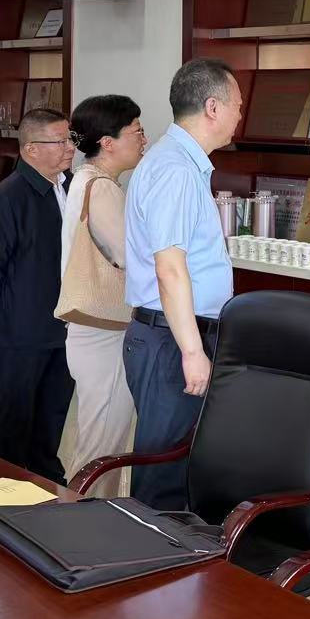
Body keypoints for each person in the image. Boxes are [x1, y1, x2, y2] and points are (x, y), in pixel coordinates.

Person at [122, 59, 241, 509]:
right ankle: (152, 553)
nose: (239, 114)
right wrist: (192, 351)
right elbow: (169, 268)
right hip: (171, 339)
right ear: (212, 107)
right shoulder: (175, 169)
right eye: (237, 105)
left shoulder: (180, 163)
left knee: (177, 466)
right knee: (163, 476)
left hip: (172, 333)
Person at [0, 107, 75, 481]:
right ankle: (6, 480)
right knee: (17, 409)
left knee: (54, 406)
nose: (70, 147)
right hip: (23, 323)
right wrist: (1, 316)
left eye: (70, 139)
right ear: (31, 149)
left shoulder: (70, 185)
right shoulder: (9, 196)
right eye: (60, 141)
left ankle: (46, 474)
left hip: (65, 320)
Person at [62, 94, 146, 497]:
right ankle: (83, 523)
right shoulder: (102, 189)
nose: (144, 139)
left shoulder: (83, 179)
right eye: (137, 131)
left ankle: (83, 516)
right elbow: (129, 257)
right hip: (105, 330)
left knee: (97, 433)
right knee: (103, 443)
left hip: (90, 328)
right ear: (108, 142)